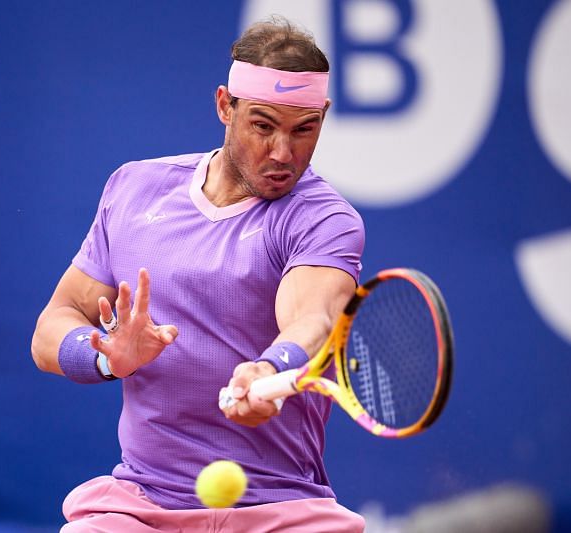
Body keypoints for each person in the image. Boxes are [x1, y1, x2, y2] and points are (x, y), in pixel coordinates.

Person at [32, 16, 366, 532]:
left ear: (323, 115)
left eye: (305, 129)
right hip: (140, 505)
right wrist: (105, 355)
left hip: (283, 510)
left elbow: (314, 317)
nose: (283, 152)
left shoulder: (324, 219)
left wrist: (270, 368)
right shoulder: (134, 189)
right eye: (263, 125)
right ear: (224, 106)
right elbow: (53, 325)